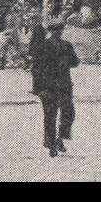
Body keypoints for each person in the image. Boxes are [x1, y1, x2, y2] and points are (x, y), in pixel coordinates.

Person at [34, 19, 80, 156]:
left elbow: (75, 62)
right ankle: (51, 144)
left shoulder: (67, 45)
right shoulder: (43, 47)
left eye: (60, 30)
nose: (58, 32)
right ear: (50, 31)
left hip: (63, 85)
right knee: (52, 116)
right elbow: (36, 68)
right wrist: (38, 88)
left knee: (67, 114)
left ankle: (58, 139)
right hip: (50, 86)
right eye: (55, 30)